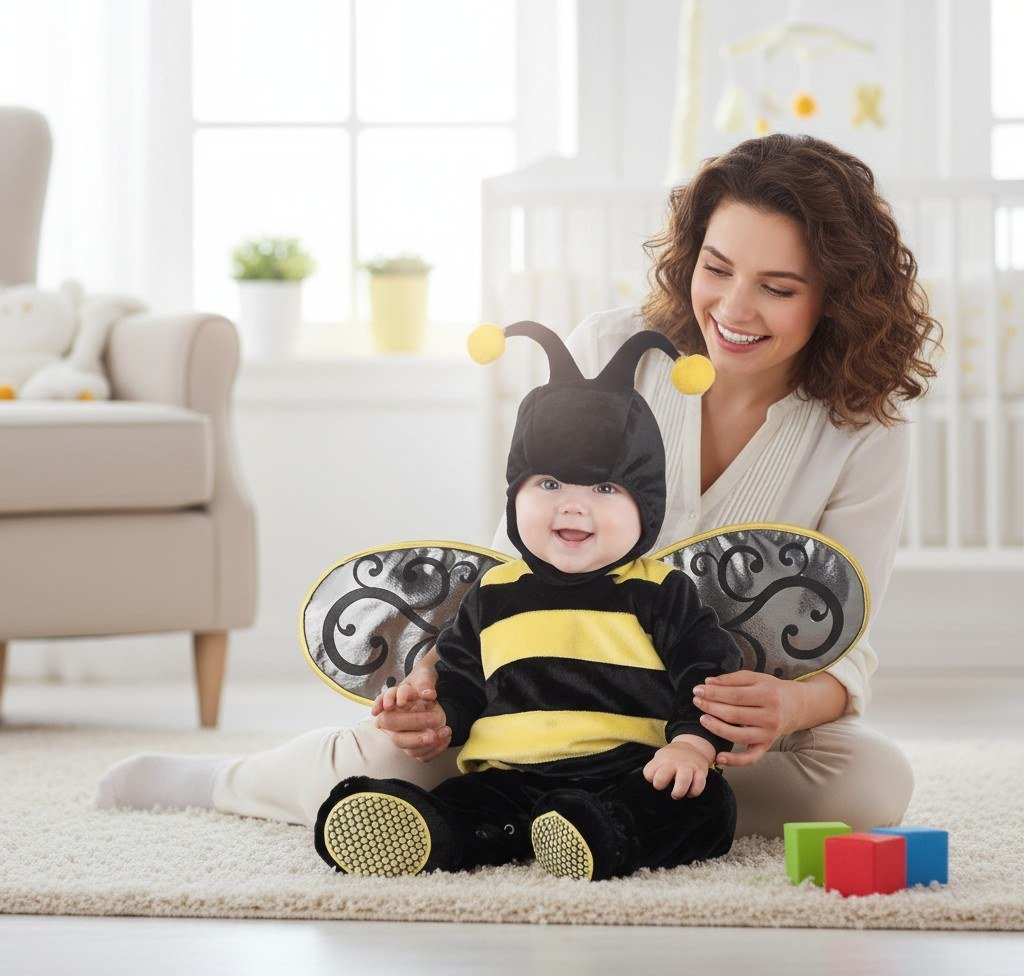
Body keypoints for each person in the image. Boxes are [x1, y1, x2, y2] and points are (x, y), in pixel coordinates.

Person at [95, 133, 939, 839]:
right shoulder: (610, 349)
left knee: (869, 784)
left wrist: (790, 709)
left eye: (779, 288)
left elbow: (848, 631)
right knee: (397, 757)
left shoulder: (862, 424)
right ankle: (223, 783)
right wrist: (440, 680)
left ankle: (581, 807)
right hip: (544, 693)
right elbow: (523, 549)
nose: (733, 306)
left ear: (838, 298)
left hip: (701, 731)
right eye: (716, 267)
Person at [314, 322, 743, 881]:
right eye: (549, 484)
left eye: (605, 490)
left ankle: (599, 829)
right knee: (469, 803)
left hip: (629, 772)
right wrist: (435, 714)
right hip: (510, 772)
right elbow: (464, 682)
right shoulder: (492, 594)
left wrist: (691, 746)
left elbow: (707, 674)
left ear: (648, 506)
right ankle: (426, 826)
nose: (572, 507)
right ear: (514, 493)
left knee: (708, 805)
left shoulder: (660, 590)